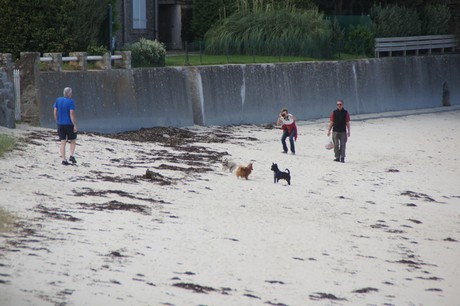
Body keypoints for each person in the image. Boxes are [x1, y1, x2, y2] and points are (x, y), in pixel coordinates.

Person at [54, 87, 78, 165]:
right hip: (69, 124)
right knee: (73, 140)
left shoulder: (58, 100)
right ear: (70, 94)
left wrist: (57, 120)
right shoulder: (71, 102)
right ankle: (71, 155)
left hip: (60, 124)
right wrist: (75, 125)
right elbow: (71, 114)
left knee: (63, 142)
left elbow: (55, 111)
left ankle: (64, 159)